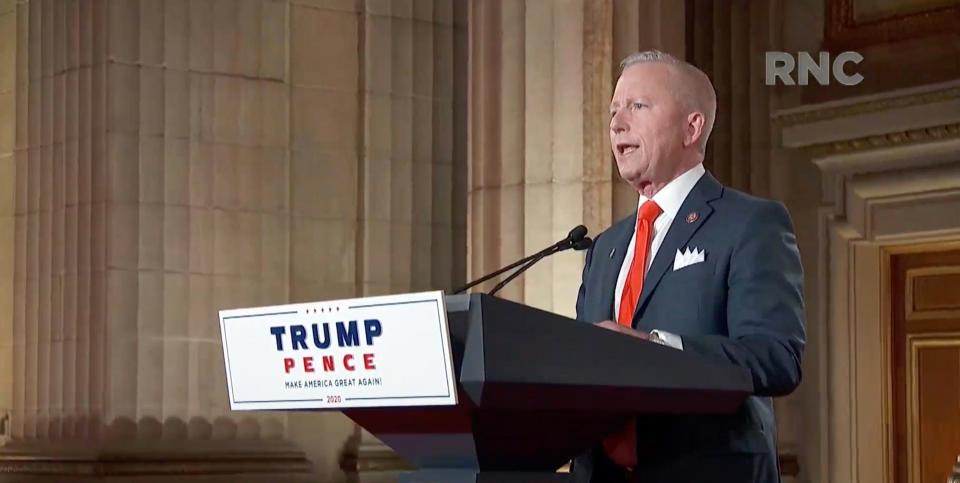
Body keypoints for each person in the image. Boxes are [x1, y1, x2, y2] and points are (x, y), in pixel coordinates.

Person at [571, 50, 806, 483]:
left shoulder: (749, 223)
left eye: (638, 106)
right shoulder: (603, 247)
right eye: (613, 111)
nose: (617, 123)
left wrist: (655, 348)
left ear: (691, 127)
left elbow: (777, 358)